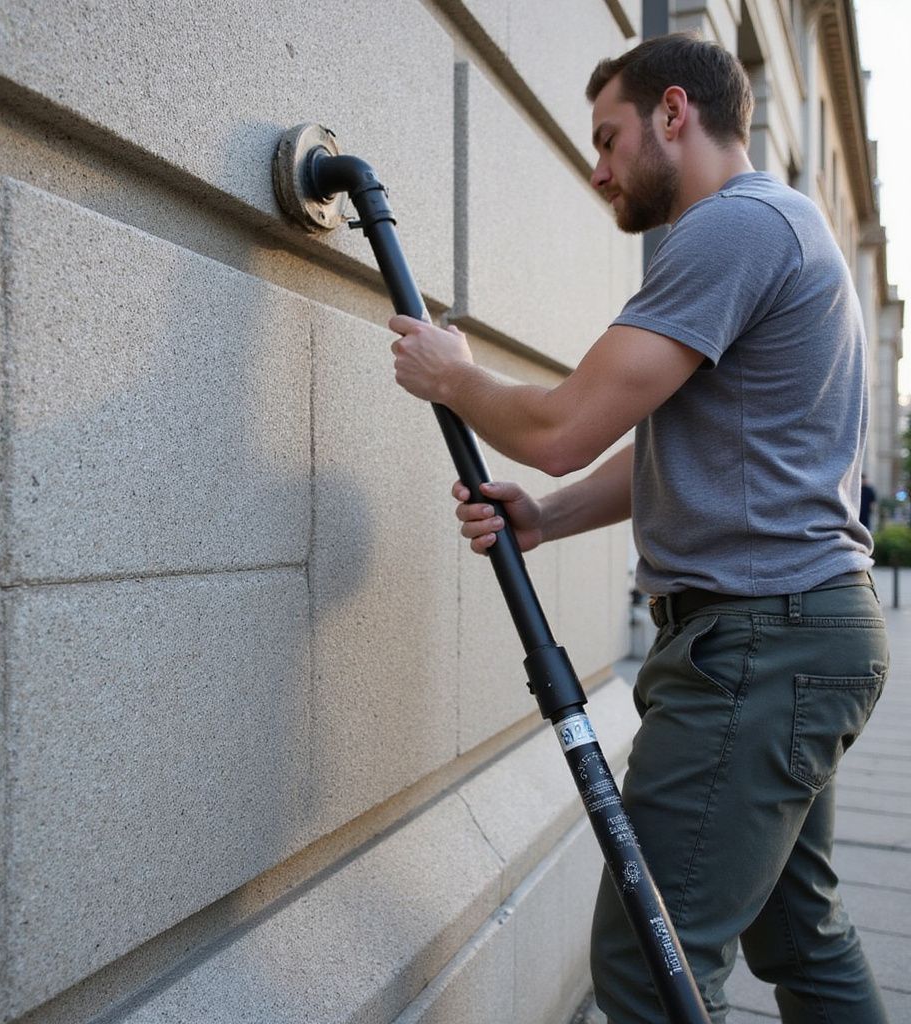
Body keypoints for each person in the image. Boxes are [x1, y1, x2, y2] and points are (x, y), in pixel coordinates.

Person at [387, 33, 889, 1024]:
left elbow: (566, 426)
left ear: (673, 112)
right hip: (801, 632)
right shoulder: (785, 228)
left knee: (646, 963)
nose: (597, 166)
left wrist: (455, 375)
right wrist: (548, 518)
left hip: (758, 646)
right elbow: (696, 451)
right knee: (801, 936)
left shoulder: (731, 230)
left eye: (608, 137)